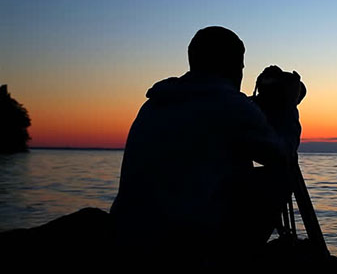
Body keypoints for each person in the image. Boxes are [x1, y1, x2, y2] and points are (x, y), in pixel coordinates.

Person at [109, 26, 304, 268]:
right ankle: (236, 262)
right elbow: (281, 153)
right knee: (279, 176)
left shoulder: (156, 102)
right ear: (233, 66)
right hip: (186, 247)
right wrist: (288, 107)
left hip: (128, 237)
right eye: (241, 67)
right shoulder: (229, 105)